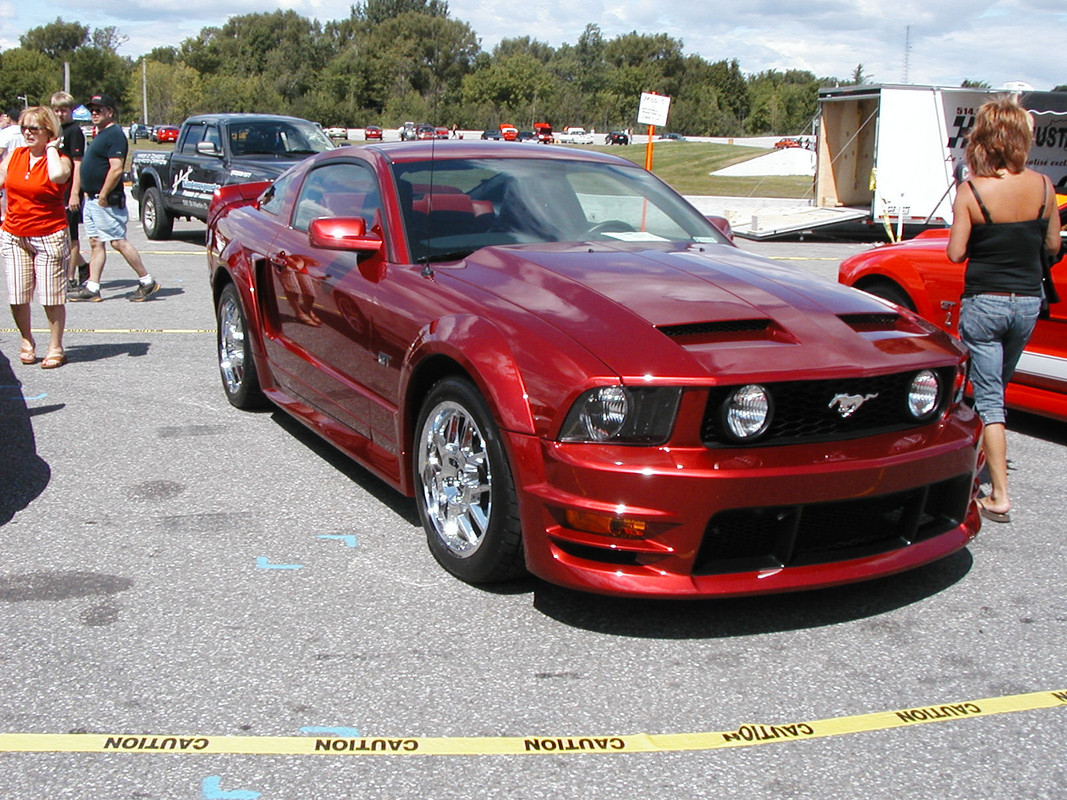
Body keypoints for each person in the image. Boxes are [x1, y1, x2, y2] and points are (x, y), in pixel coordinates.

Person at [946, 97, 1060, 523]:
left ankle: (999, 495)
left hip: (986, 302)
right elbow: (1051, 246)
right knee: (998, 387)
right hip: (1028, 302)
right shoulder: (1045, 187)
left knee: (989, 399)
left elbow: (956, 254)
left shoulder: (972, 191)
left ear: (985, 139)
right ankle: (984, 458)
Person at [0, 106, 73, 368]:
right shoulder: (15, 155)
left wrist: (52, 147)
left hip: (49, 234)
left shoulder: (59, 159)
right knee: (17, 295)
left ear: (49, 131)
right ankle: (26, 340)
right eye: (24, 128)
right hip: (14, 233)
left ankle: (55, 346)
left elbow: (57, 176)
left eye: (34, 128)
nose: (27, 133)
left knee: (50, 297)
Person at [67, 93, 158, 303]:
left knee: (118, 241)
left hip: (105, 200)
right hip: (92, 200)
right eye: (92, 110)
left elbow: (116, 169)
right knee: (95, 242)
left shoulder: (115, 134)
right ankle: (93, 286)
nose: (95, 114)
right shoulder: (99, 134)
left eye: (99, 110)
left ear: (110, 112)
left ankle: (146, 280)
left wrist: (104, 195)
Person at [50, 92, 88, 287]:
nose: (59, 114)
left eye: (63, 110)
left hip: (70, 190)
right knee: (59, 235)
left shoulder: (74, 132)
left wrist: (75, 193)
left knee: (70, 237)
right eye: (56, 110)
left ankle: (70, 278)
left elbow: (78, 164)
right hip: (55, 190)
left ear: (71, 110)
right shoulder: (55, 130)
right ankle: (82, 265)